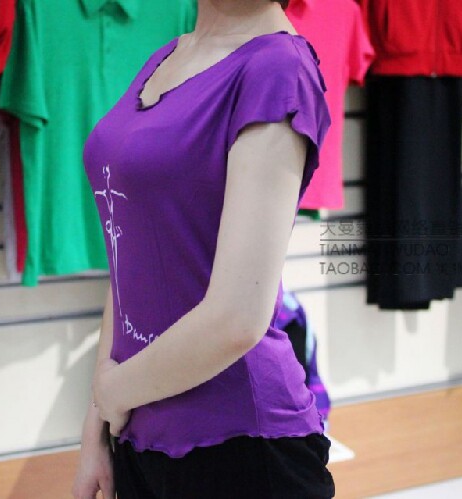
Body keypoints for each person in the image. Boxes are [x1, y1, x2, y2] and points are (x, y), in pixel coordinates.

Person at [73, 0, 334, 497]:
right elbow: (130, 265)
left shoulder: (277, 68)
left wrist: (113, 393)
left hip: (240, 445)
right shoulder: (168, 56)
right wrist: (96, 427)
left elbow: (237, 318)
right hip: (139, 432)